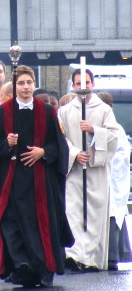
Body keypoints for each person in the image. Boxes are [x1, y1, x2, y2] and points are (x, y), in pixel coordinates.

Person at [0, 65, 74, 287]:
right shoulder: (1, 113)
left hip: (40, 182)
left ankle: (42, 270)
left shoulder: (47, 111)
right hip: (11, 181)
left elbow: (60, 145)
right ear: (14, 87)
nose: (25, 87)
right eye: (21, 83)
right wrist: (7, 144)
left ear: (34, 85)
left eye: (29, 83)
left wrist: (43, 152)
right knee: (9, 223)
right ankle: (20, 265)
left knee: (39, 226)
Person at [58, 68, 119, 272]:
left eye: (86, 82)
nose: (82, 87)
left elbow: (113, 136)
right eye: (78, 83)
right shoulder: (65, 111)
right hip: (75, 170)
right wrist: (75, 153)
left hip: (96, 172)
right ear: (73, 86)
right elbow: (60, 139)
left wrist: (94, 130)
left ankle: (91, 257)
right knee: (73, 212)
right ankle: (74, 254)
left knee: (93, 215)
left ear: (92, 84)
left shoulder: (104, 110)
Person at [92, 92, 131, 271]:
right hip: (96, 176)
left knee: (112, 215)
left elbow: (122, 154)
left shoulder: (118, 129)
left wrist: (106, 158)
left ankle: (112, 255)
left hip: (112, 178)